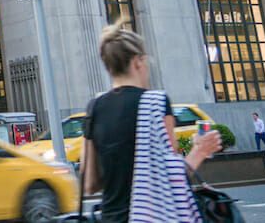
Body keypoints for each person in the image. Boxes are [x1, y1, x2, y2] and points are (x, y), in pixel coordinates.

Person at [81, 23, 221, 222]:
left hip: (111, 217)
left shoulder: (94, 108)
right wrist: (200, 150)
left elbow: (89, 184)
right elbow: (173, 176)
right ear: (138, 62)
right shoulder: (155, 103)